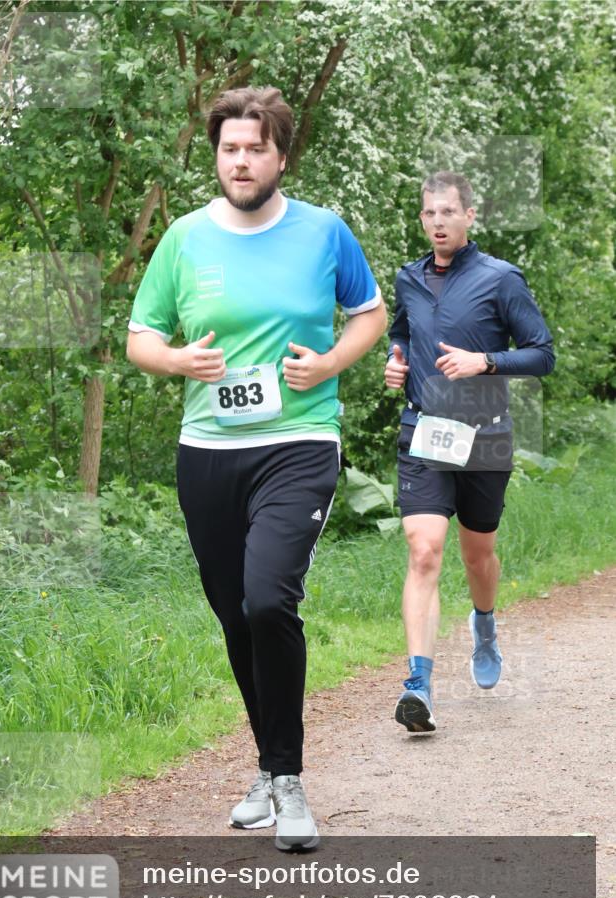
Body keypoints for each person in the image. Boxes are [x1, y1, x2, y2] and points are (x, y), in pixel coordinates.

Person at [127, 86, 387, 848]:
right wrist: (177, 360)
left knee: (269, 599)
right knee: (236, 613)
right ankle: (271, 770)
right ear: (218, 155)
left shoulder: (322, 232)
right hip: (208, 451)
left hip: (298, 440)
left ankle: (291, 782)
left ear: (281, 156)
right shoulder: (183, 238)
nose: (239, 161)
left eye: (254, 149)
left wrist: (333, 360)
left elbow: (368, 312)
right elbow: (142, 337)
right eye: (228, 149)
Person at [384, 170, 555, 734]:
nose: (438, 222)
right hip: (424, 430)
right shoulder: (408, 278)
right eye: (429, 214)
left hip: (484, 434)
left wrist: (486, 362)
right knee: (424, 550)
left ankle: (484, 624)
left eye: (448, 213)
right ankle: (418, 685)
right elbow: (405, 330)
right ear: (422, 219)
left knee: (477, 554)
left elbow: (542, 353)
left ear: (468, 217)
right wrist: (396, 357)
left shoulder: (501, 279)